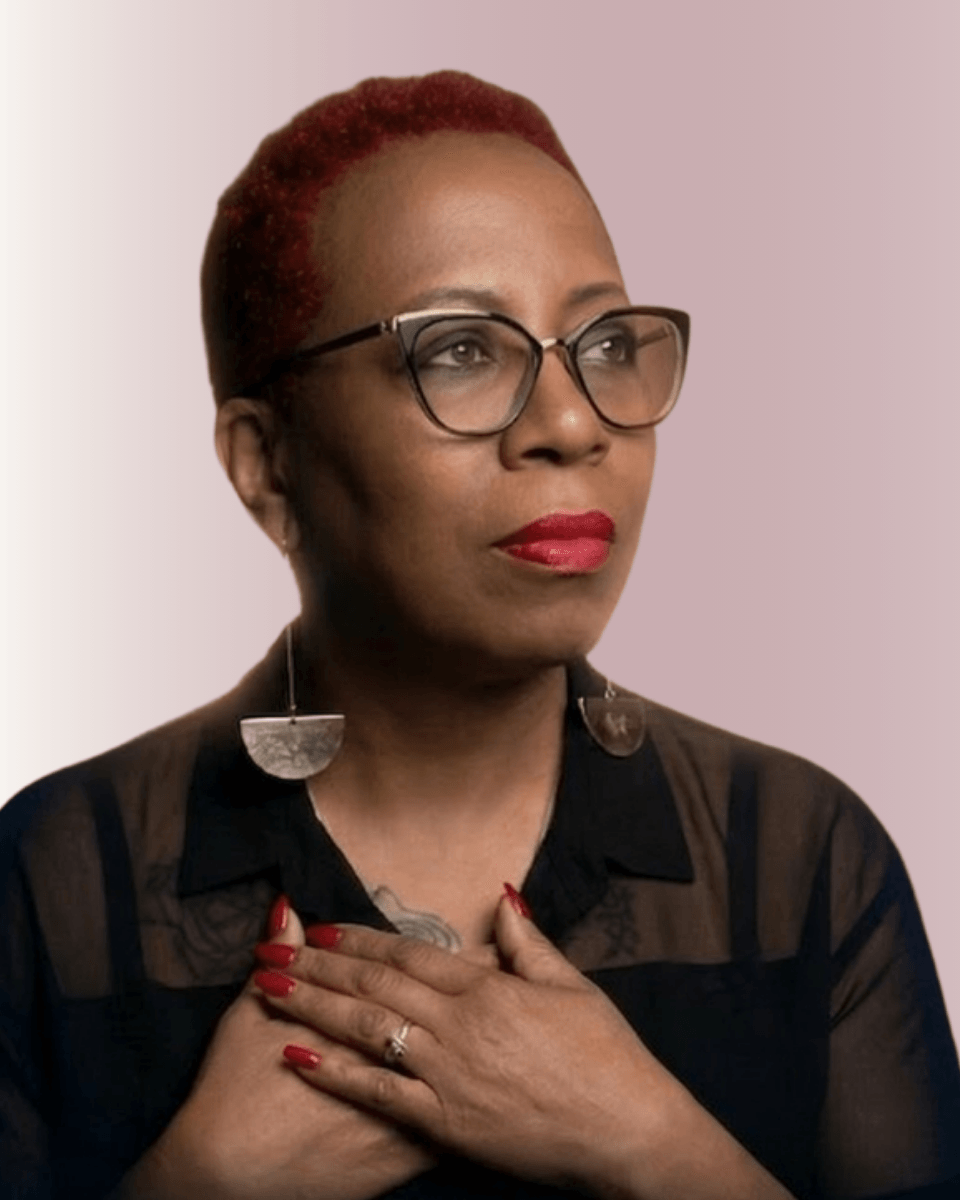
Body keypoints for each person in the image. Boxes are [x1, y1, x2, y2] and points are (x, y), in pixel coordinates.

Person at [1, 70, 957, 1200]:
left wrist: (658, 1147)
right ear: (268, 463)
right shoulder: (57, 880)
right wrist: (195, 1184)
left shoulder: (801, 858)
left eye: (606, 344)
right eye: (459, 349)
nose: (573, 423)